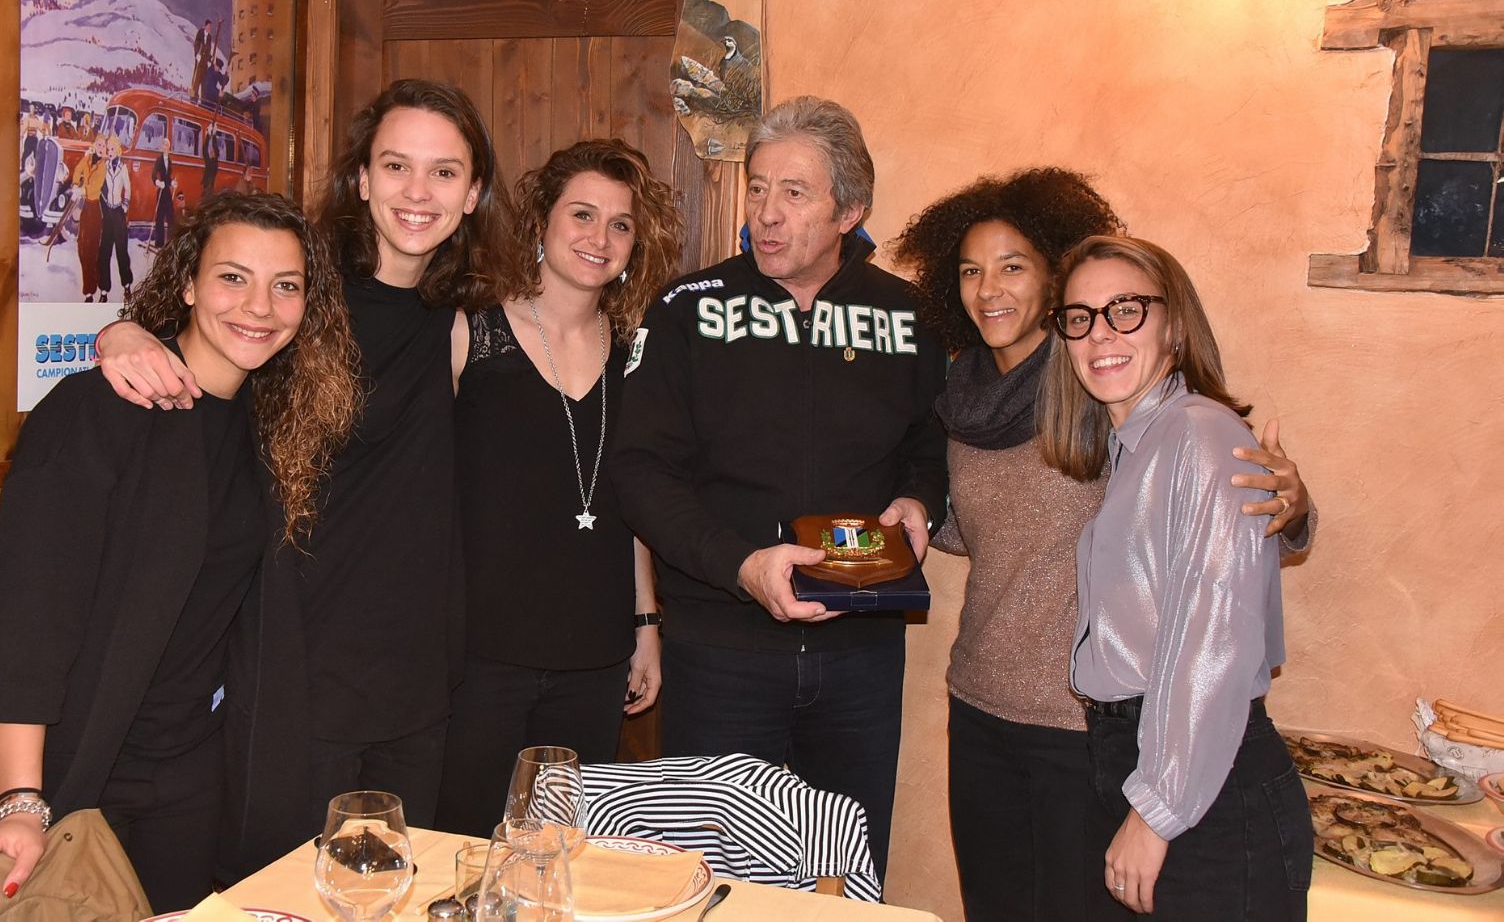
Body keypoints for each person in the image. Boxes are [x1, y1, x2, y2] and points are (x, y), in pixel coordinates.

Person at [93, 78, 501, 878]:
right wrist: (121, 334)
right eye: (396, 166)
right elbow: (196, 343)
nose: (418, 192)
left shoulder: (460, 320)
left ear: (473, 192)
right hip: (296, 667)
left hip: (417, 677)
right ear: (362, 178)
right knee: (285, 894)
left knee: (392, 896)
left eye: (444, 172)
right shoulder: (298, 298)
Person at [891, 170, 1314, 921]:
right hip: (984, 697)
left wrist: (1291, 507)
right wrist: (917, 519)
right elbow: (999, 527)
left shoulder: (1122, 404)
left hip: (1084, 725)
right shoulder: (973, 402)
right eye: (970, 269)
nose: (989, 287)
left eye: (1012, 265)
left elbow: (1214, 577)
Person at [0, 191, 359, 913]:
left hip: (191, 778)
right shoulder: (97, 411)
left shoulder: (269, 424)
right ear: (188, 283)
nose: (259, 306)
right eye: (233, 277)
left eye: (285, 285)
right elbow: (27, 624)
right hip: (81, 774)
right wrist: (21, 799)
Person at [610, 96, 947, 878]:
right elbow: (639, 472)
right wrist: (741, 565)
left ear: (849, 211)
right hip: (719, 654)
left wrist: (920, 501)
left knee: (844, 876)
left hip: (861, 654)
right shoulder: (687, 311)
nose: (765, 213)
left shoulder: (908, 315)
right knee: (708, 879)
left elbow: (929, 442)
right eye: (757, 188)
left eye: (794, 193)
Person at [1037, 235, 1313, 920]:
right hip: (1142, 759)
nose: (1100, 333)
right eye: (1080, 317)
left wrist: (1157, 810)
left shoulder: (1198, 434)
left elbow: (1213, 640)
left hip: (1200, 786)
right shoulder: (1139, 445)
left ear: (1175, 325)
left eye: (1126, 309)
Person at [433, 140, 683, 837]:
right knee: (463, 849)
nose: (599, 237)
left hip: (594, 655)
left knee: (557, 855)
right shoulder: (470, 333)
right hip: (480, 656)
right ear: (541, 220)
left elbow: (633, 503)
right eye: (582, 214)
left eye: (620, 224)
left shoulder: (637, 355)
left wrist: (646, 625)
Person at [69, 134, 107, 301]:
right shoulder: (87, 159)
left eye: (103, 146)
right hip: (84, 207)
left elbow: (95, 187)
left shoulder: (103, 166)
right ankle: (93, 280)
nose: (100, 148)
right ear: (94, 145)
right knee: (81, 247)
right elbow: (77, 170)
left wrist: (81, 191)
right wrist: (75, 184)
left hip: (94, 208)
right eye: (99, 144)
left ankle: (89, 291)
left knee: (91, 249)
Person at [97, 134, 133, 302]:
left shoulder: (122, 168)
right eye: (108, 149)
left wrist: (124, 205)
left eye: (112, 149)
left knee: (121, 251)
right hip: (108, 214)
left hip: (118, 212)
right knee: (104, 251)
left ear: (118, 151)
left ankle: (127, 285)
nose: (110, 152)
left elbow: (128, 188)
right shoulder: (103, 166)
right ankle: (104, 290)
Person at [151, 135, 177, 249]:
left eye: (167, 145)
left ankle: (171, 241)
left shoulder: (169, 160)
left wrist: (172, 183)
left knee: (170, 216)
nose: (165, 147)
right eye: (164, 145)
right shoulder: (159, 160)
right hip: (161, 190)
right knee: (160, 217)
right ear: (161, 147)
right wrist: (157, 182)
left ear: (169, 147)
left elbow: (168, 177)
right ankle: (159, 242)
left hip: (167, 191)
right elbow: (153, 175)